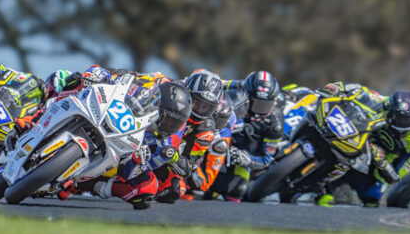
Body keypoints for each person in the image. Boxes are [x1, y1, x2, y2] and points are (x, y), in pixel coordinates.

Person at [71, 80, 194, 209]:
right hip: (114, 115)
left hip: (118, 157)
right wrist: (102, 75)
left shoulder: (165, 145)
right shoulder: (154, 83)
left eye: (174, 123)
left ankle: (87, 185)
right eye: (168, 119)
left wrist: (136, 160)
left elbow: (129, 173)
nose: (169, 126)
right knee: (73, 82)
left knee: (149, 188)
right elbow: (124, 78)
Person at [335, 90, 410, 207]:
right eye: (398, 117)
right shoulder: (384, 102)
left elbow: (395, 177)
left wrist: (382, 163)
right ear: (390, 110)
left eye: (407, 119)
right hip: (361, 135)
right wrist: (340, 88)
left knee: (371, 198)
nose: (402, 122)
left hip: (384, 160)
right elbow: (361, 91)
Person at [211, 70, 284, 202]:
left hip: (241, 152)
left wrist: (246, 158)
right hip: (216, 135)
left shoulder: (275, 123)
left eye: (266, 105)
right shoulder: (238, 86)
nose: (260, 110)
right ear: (247, 95)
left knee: (237, 189)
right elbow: (214, 84)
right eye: (257, 104)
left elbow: (267, 159)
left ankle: (210, 190)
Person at [154, 68, 224, 203]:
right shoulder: (170, 88)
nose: (199, 110)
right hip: (148, 135)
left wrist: (173, 156)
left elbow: (188, 166)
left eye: (206, 107)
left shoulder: (206, 130)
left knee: (177, 189)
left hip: (166, 153)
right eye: (196, 102)